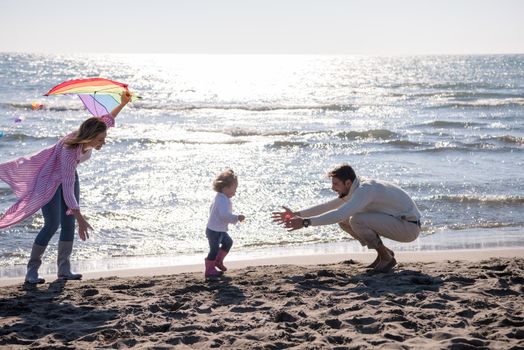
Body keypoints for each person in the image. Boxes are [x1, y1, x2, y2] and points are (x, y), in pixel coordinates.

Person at [0, 91, 132, 284]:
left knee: (68, 224)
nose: (103, 143)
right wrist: (80, 217)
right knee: (52, 224)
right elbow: (67, 186)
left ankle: (64, 269)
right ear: (90, 136)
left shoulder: (94, 131)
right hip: (49, 181)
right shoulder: (69, 151)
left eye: (103, 139)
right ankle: (32, 271)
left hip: (69, 176)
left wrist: (123, 103)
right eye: (100, 140)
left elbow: (108, 119)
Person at [272, 164, 421, 273]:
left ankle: (387, 259)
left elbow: (338, 213)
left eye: (336, 184)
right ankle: (385, 254)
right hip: (401, 223)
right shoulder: (355, 187)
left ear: (347, 183)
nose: (332, 188)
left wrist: (305, 223)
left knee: (356, 219)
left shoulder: (365, 190)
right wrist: (297, 214)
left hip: (408, 227)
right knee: (345, 221)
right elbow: (329, 206)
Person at [205, 169, 245, 278]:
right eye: (234, 189)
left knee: (228, 242)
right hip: (214, 231)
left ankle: (218, 261)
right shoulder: (221, 200)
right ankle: (209, 269)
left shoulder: (222, 198)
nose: (235, 192)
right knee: (214, 249)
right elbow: (224, 215)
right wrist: (236, 217)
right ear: (225, 188)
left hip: (219, 229)